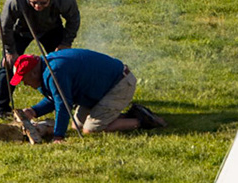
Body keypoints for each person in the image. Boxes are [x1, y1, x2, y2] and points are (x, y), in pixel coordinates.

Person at [10, 48, 163, 140]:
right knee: (76, 124)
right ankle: (121, 115)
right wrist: (34, 111)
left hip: (119, 84)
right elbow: (58, 96)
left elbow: (63, 104)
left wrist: (58, 136)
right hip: (101, 89)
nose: (25, 84)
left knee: (90, 129)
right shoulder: (47, 68)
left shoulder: (53, 72)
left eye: (24, 79)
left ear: (34, 72)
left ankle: (140, 120)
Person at [0, 0, 80, 120]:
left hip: (51, 28)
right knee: (7, 65)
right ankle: (1, 108)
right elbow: (5, 26)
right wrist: (10, 51)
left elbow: (74, 18)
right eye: (33, 3)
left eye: (43, 3)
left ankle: (71, 99)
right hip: (20, 30)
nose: (38, 6)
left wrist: (65, 42)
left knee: (64, 64)